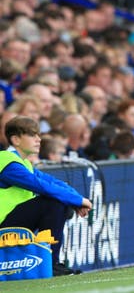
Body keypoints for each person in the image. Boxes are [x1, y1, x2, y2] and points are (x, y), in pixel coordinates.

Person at [0, 116, 93, 276]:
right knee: (52, 202)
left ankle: (52, 262)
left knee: (57, 200)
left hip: (12, 223)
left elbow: (53, 182)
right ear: (15, 139)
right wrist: (78, 200)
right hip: (4, 225)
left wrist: (76, 199)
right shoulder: (5, 161)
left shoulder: (24, 163)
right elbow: (41, 186)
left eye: (38, 134)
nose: (39, 139)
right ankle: (51, 263)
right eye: (32, 135)